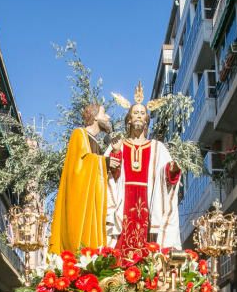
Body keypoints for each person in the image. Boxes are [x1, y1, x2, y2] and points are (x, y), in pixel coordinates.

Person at [107, 83, 182, 260]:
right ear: (129, 119)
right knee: (120, 248)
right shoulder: (119, 144)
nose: (139, 116)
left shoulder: (158, 147)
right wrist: (116, 153)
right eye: (135, 113)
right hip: (123, 200)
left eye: (142, 113)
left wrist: (172, 171)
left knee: (149, 247)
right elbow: (109, 176)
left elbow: (169, 176)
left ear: (147, 119)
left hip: (149, 200)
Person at [49, 102, 113, 254]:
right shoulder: (79, 134)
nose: (108, 117)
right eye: (104, 113)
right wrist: (105, 162)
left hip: (93, 203)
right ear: (95, 116)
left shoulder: (95, 141)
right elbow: (79, 166)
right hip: (80, 204)